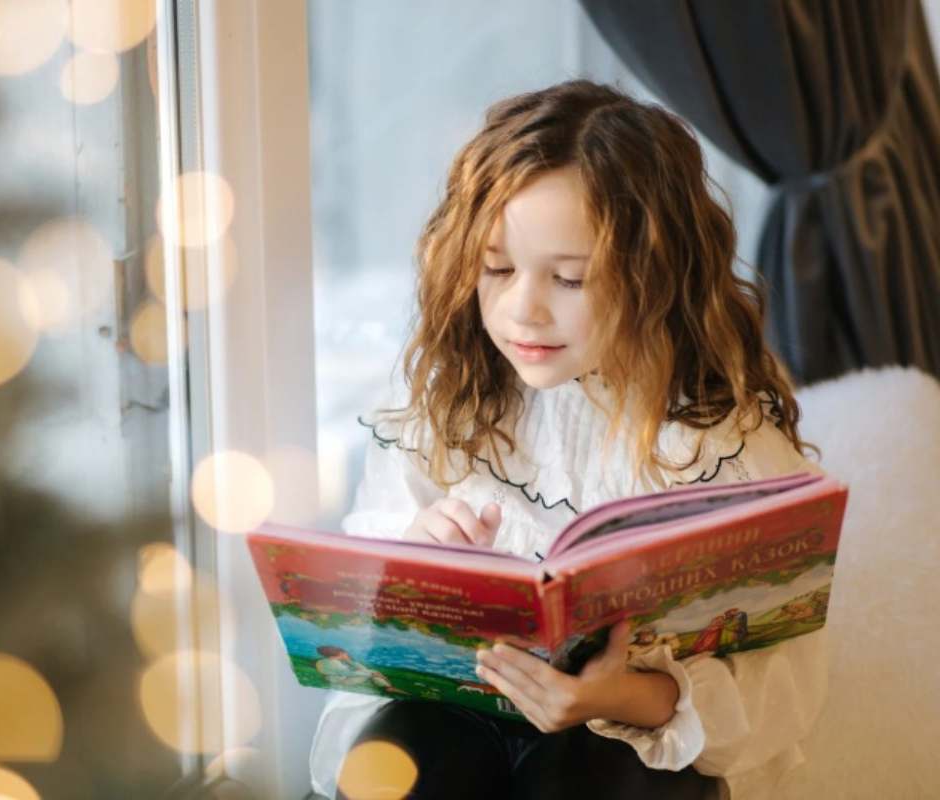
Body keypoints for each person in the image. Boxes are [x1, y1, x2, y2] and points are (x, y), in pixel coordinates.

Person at [308, 80, 828, 800]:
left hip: (624, 741)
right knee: (402, 762)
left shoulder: (727, 448)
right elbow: (357, 645)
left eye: (571, 278)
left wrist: (618, 697)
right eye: (496, 268)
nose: (523, 308)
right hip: (459, 720)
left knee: (590, 778)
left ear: (654, 275)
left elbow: (783, 695)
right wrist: (417, 559)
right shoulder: (442, 399)